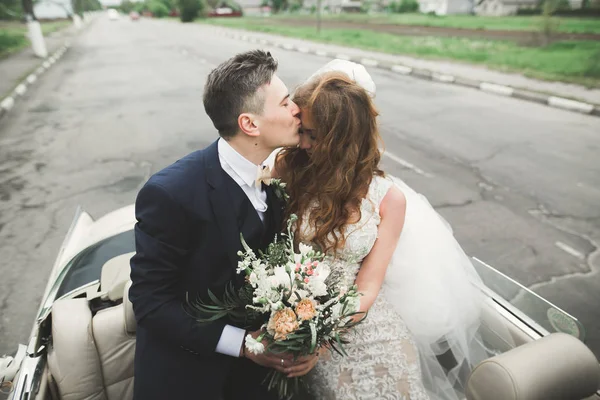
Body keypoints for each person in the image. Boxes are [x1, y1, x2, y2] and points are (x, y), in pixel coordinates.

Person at [274, 61, 494, 400]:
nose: (302, 143)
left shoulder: (389, 199)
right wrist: (304, 335)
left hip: (367, 325)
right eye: (301, 130)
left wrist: (323, 340)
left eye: (312, 135)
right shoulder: (288, 169)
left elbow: (369, 286)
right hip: (301, 317)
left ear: (340, 139)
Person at [129, 50, 318, 400]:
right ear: (250, 124)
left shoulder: (281, 176)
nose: (297, 110)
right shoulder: (171, 193)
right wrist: (243, 344)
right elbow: (150, 302)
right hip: (190, 380)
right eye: (286, 102)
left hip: (261, 382)